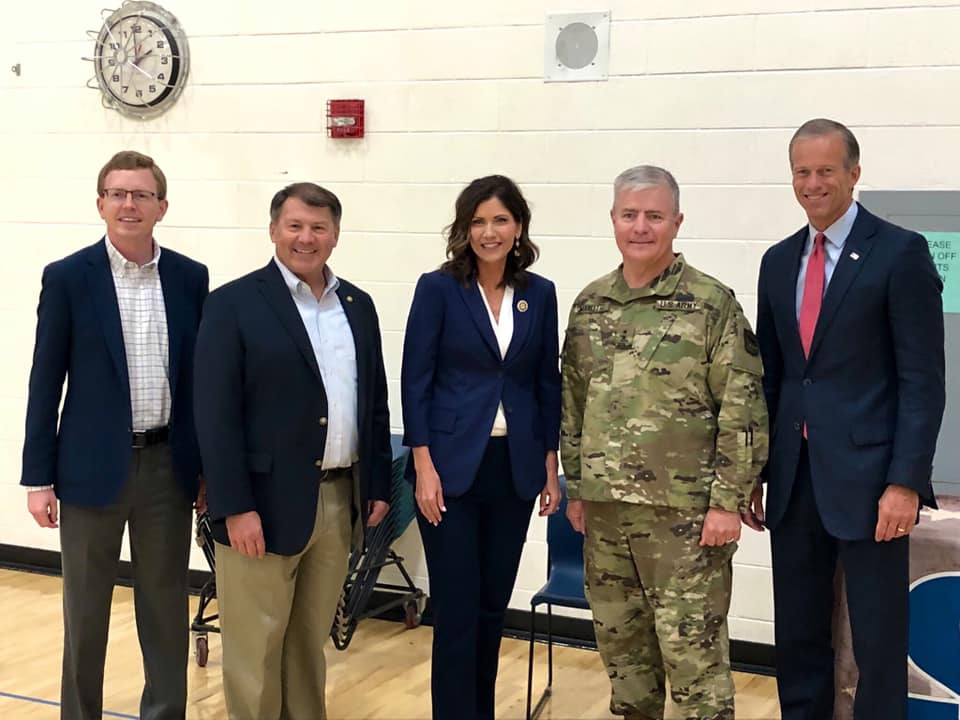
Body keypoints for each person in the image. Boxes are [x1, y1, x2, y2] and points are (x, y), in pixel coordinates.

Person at [754, 118, 946, 720]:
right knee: (800, 639)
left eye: (826, 171)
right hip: (794, 482)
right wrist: (757, 473)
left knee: (878, 644)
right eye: (802, 172)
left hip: (872, 485)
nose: (813, 184)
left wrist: (905, 482)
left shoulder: (900, 252)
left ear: (854, 174)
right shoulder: (778, 261)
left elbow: (922, 381)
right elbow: (775, 377)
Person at [560, 165, 768, 720]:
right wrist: (576, 488)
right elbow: (573, 405)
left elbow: (743, 408)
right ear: (612, 220)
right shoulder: (590, 304)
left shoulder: (710, 303)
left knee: (694, 663)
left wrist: (728, 501)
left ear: (677, 221)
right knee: (625, 661)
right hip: (606, 515)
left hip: (686, 521)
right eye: (630, 215)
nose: (641, 227)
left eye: (654, 215)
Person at [20, 150, 208, 720]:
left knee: (164, 606)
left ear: (162, 207)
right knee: (85, 613)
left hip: (166, 469)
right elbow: (44, 381)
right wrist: (38, 477)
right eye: (118, 193)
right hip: (87, 472)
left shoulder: (189, 277)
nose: (130, 204)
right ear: (100, 203)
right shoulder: (69, 277)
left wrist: (204, 469)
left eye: (142, 195)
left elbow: (199, 384)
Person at [193, 182, 391, 720]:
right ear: (274, 229)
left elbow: (372, 402)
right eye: (296, 226)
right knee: (255, 650)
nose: (307, 238)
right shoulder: (233, 303)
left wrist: (374, 485)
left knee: (308, 646)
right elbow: (215, 415)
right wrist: (234, 506)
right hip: (260, 504)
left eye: (319, 227)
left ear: (336, 235)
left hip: (337, 499)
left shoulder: (358, 305)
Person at [401, 174, 561, 720]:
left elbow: (545, 381)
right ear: (463, 229)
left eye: (500, 220)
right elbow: (415, 379)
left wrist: (550, 462)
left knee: (493, 608)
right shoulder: (439, 287)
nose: (489, 232)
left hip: (512, 469)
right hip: (447, 471)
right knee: (457, 611)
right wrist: (421, 463)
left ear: (518, 227)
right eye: (477, 222)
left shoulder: (539, 294)